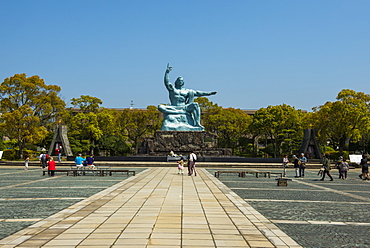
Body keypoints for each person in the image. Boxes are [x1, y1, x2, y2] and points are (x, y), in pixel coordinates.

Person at [158, 64, 217, 129]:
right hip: (173, 107)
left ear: (183, 82)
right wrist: (167, 73)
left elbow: (198, 93)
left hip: (184, 107)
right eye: (179, 80)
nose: (180, 82)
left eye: (181, 81)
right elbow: (166, 82)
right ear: (176, 82)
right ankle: (177, 112)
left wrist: (209, 93)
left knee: (195, 105)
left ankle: (197, 123)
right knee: (160, 107)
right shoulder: (172, 89)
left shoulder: (187, 91)